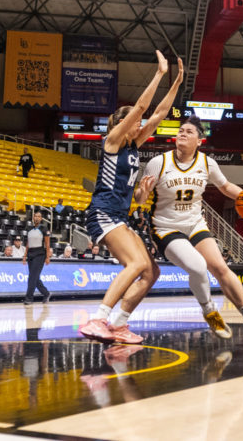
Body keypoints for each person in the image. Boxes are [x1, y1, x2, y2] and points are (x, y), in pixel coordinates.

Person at [78, 51, 183, 344]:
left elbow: (159, 114)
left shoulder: (133, 149)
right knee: (135, 265)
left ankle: (119, 325)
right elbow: (142, 106)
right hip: (102, 213)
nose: (140, 125)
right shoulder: (112, 142)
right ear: (123, 123)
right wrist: (160, 74)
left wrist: (177, 83)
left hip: (120, 215)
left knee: (152, 272)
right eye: (135, 122)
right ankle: (98, 319)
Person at [132, 116, 243, 336]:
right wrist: (143, 193)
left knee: (221, 268)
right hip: (166, 227)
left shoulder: (207, 163)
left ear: (199, 141)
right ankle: (210, 311)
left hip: (195, 223)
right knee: (197, 266)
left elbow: (224, 187)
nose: (182, 134)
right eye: (180, 131)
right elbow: (139, 199)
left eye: (189, 132)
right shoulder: (159, 162)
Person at [22, 210, 51, 304]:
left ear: (41, 218)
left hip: (40, 254)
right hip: (30, 254)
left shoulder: (44, 228)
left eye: (39, 216)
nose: (37, 218)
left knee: (32, 277)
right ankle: (46, 293)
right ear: (33, 217)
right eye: (35, 216)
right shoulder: (29, 228)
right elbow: (28, 243)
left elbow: (47, 244)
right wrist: (25, 255)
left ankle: (29, 298)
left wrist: (47, 257)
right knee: (35, 278)